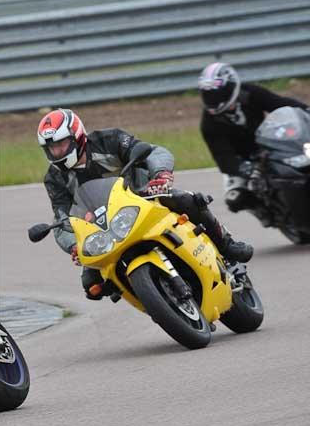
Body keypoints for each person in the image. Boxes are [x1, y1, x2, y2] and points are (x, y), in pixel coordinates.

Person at [37, 108, 253, 300]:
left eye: (61, 145)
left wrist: (161, 175)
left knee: (187, 200)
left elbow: (153, 152)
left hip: (144, 196)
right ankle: (143, 291)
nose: (57, 152)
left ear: (76, 137)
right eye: (51, 148)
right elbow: (62, 217)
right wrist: (74, 244)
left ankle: (226, 244)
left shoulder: (109, 139)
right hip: (104, 227)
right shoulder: (54, 179)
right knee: (91, 285)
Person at [198, 62, 308, 214]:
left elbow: (281, 104)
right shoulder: (208, 124)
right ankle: (270, 214)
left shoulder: (250, 93)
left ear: (232, 87)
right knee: (235, 199)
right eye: (208, 94)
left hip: (269, 146)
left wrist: (305, 111)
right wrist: (245, 169)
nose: (213, 99)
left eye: (218, 93)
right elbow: (223, 157)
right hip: (243, 160)